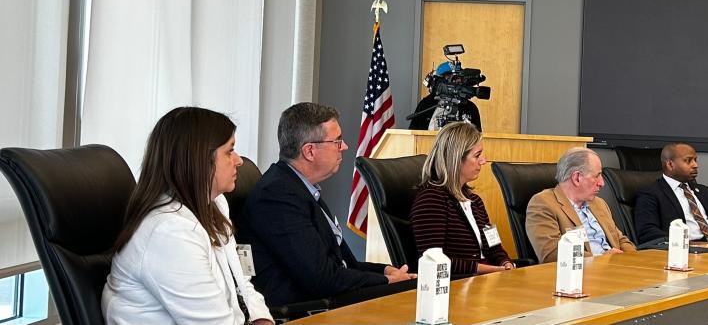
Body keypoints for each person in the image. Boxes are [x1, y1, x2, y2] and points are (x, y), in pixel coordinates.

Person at [102, 107, 273, 325]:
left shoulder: (214, 205)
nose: (239, 160)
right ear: (200, 159)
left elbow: (240, 282)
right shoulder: (169, 231)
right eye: (230, 151)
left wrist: (261, 319)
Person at [239, 103, 416, 307]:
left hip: (327, 295)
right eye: (337, 141)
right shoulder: (277, 196)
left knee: (411, 287)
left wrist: (385, 271)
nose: (345, 147)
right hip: (308, 308)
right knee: (409, 294)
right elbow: (322, 278)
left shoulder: (299, 187)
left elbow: (342, 264)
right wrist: (387, 281)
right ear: (310, 151)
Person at [410, 122, 515, 276]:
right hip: (458, 285)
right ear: (456, 158)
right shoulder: (431, 199)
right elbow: (435, 261)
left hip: (487, 279)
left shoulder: (475, 201)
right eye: (477, 155)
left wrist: (505, 263)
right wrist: (492, 271)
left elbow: (494, 247)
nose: (483, 161)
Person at [525, 147, 636, 263]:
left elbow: (620, 240)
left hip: (617, 270)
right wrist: (602, 260)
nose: (602, 183)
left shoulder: (599, 203)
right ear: (577, 178)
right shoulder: (543, 204)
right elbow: (552, 254)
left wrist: (632, 259)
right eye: (596, 176)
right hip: (582, 275)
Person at [633, 142, 708, 245]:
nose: (695, 165)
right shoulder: (650, 194)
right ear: (670, 164)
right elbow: (648, 231)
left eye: (695, 160)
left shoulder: (705, 191)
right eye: (688, 161)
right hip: (686, 250)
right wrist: (683, 244)